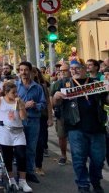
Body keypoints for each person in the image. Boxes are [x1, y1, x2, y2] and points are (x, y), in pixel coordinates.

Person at [52, 61, 108, 193]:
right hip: (75, 127)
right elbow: (54, 103)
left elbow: (107, 100)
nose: (74, 71)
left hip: (97, 127)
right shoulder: (63, 83)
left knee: (98, 159)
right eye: (72, 69)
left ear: (84, 69)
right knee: (78, 159)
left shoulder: (95, 82)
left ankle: (95, 180)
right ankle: (83, 185)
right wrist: (56, 97)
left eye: (77, 68)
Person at [0, 81, 31, 192]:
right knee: (8, 157)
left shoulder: (19, 101)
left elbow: (23, 118)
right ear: (6, 92)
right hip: (5, 131)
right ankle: (11, 179)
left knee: (21, 155)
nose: (16, 94)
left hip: (18, 131)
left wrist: (21, 106)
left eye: (16, 92)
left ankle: (22, 181)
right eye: (13, 92)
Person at [15, 61, 46, 183]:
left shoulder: (38, 87)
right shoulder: (15, 86)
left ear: (30, 71)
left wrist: (35, 105)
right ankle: (20, 172)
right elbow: (10, 103)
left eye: (26, 70)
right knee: (19, 148)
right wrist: (24, 105)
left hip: (34, 121)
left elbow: (43, 104)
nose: (23, 72)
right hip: (19, 121)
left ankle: (30, 172)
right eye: (21, 70)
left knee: (32, 148)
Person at [34, 67, 53, 176]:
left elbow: (48, 103)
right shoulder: (19, 85)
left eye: (32, 72)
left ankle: (38, 166)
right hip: (26, 118)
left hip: (41, 117)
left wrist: (50, 117)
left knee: (40, 142)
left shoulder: (42, 86)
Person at [50, 62, 70, 166]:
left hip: (75, 114)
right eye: (61, 71)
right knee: (62, 136)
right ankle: (63, 155)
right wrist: (54, 102)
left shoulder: (75, 82)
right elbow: (50, 100)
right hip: (61, 113)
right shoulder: (56, 84)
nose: (62, 73)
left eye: (65, 70)